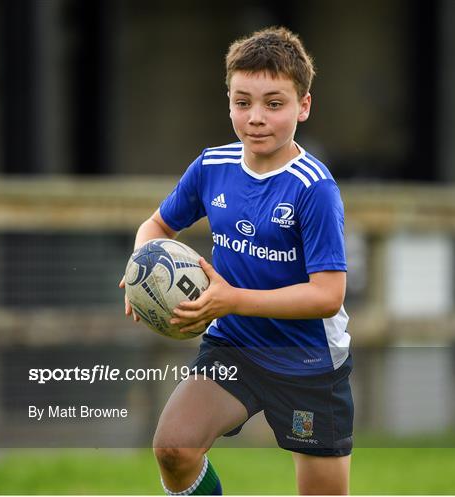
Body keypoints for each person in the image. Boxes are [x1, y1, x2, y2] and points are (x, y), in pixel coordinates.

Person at [120, 26, 354, 495]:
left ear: (303, 106)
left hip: (306, 362)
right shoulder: (212, 167)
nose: (256, 118)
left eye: (274, 103)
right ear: (228, 101)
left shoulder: (314, 189)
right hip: (233, 347)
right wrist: (140, 269)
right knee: (174, 448)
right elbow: (156, 227)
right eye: (242, 102)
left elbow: (328, 296)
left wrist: (231, 300)